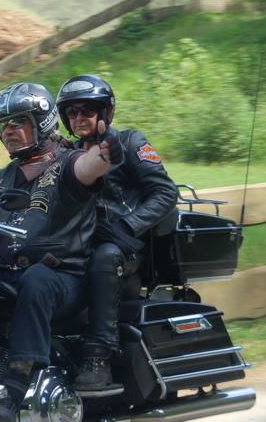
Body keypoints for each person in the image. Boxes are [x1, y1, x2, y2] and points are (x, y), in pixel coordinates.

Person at [0, 82, 122, 422]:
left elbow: (91, 167)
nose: (8, 130)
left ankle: (14, 388)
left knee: (37, 278)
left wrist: (104, 148)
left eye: (17, 122)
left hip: (64, 281)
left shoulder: (69, 164)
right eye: (2, 125)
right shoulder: (3, 178)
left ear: (42, 122)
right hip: (9, 274)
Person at [55, 74, 178, 391]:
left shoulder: (130, 143)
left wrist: (127, 226)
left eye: (87, 110)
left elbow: (165, 192)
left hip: (124, 251)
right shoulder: (67, 154)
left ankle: (100, 359)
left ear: (105, 112)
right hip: (77, 244)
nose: (79, 117)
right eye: (72, 112)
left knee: (105, 257)